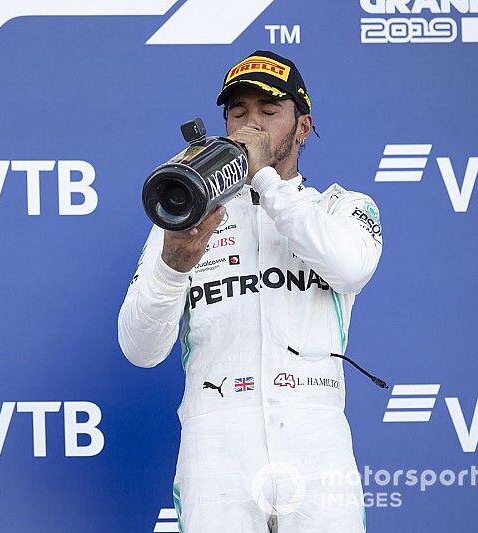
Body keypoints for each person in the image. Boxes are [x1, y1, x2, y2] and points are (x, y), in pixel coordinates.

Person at [118, 51, 383, 532]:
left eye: (268, 111)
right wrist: (172, 267)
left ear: (303, 126)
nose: (251, 126)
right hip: (218, 438)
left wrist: (262, 178)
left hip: (315, 438)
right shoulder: (188, 220)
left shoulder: (339, 208)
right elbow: (140, 349)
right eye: (238, 113)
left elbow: (350, 266)